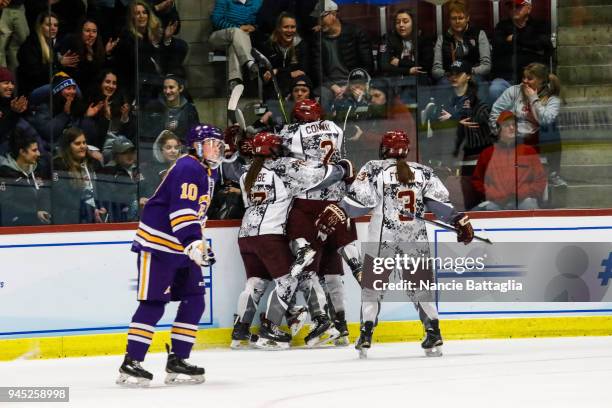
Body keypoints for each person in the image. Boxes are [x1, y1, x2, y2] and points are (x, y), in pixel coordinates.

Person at [313, 130, 474, 358]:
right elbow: (440, 205)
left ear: (383, 148)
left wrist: (340, 209)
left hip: (382, 240)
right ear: (406, 151)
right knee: (421, 290)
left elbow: (362, 202)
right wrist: (458, 219)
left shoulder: (374, 168)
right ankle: (434, 332)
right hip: (415, 241)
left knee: (372, 291)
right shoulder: (422, 171)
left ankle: (366, 335)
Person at [117, 124, 224, 387]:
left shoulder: (207, 171)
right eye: (212, 143)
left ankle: (178, 358)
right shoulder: (188, 167)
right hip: (158, 245)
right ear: (196, 146)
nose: (217, 149)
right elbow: (181, 212)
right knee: (154, 302)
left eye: (220, 144)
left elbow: (196, 215)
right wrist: (192, 243)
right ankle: (132, 362)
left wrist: (198, 243)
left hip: (182, 245)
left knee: (195, 299)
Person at [230, 131, 350, 350]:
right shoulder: (283, 167)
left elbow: (227, 167)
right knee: (288, 280)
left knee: (255, 283)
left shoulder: (245, 171)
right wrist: (344, 169)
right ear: (275, 150)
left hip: (246, 236)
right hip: (271, 235)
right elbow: (320, 176)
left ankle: (240, 330)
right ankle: (269, 329)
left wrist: (234, 147)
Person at [281, 99, 361, 346]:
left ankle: (321, 320)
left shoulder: (291, 131)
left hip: (307, 203)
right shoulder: (335, 128)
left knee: (307, 264)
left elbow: (273, 146)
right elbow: (341, 158)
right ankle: (342, 326)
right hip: (336, 201)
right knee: (333, 268)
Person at [489, 62, 563, 185]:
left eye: (530, 78)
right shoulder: (513, 91)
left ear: (541, 81)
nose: (525, 81)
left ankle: (553, 174)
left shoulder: (552, 99)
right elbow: (495, 113)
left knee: (551, 129)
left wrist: (533, 98)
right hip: (514, 136)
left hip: (537, 139)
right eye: (524, 77)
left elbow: (545, 121)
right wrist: (500, 132)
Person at [437, 60, 494, 209]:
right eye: (451, 74)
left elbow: (478, 125)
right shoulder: (443, 99)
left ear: (468, 76)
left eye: (458, 74)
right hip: (451, 158)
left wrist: (453, 118)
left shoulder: (479, 101)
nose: (453, 77)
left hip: (475, 160)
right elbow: (436, 121)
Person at [472, 110, 546, 210]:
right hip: (496, 203)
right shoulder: (488, 154)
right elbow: (477, 181)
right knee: (482, 211)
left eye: (514, 125)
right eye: (507, 125)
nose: (512, 128)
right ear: (499, 129)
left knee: (529, 205)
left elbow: (540, 180)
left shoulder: (528, 151)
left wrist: (523, 192)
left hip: (523, 201)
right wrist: (493, 194)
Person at [310, 0, 373, 111]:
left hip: (354, 82)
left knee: (360, 96)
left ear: (333, 15)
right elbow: (317, 69)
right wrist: (333, 87)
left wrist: (350, 85)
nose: (319, 22)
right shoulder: (317, 38)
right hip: (328, 85)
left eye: (321, 18)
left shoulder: (356, 33)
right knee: (322, 96)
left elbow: (368, 66)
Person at [489, 0, 553, 103]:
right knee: (494, 89)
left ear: (529, 8)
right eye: (511, 6)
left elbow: (544, 46)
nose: (514, 9)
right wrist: (528, 44)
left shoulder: (540, 25)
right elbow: (499, 47)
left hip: (533, 79)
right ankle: (505, 119)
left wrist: (514, 38)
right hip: (507, 77)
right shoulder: (501, 27)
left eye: (518, 6)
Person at [50, 127, 106, 225]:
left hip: (96, 216)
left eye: (84, 143)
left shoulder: (92, 163)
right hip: (71, 218)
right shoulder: (59, 165)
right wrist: (88, 210)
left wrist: (103, 207)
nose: (83, 146)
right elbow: (63, 196)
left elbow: (103, 188)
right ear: (68, 146)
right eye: (77, 143)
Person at [208, 0, 262, 93]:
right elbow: (216, 20)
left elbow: (261, 20)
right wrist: (237, 27)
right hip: (221, 36)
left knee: (234, 46)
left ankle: (235, 82)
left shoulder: (257, 1)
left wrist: (254, 27)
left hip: (244, 39)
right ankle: (249, 63)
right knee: (236, 32)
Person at [431, 0, 491, 84]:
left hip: (473, 75)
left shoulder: (479, 34)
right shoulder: (442, 38)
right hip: (450, 77)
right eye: (453, 18)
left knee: (477, 81)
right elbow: (435, 70)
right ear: (449, 20)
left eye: (461, 18)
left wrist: (466, 72)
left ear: (467, 18)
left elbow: (486, 66)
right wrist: (450, 73)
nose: (457, 22)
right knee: (443, 83)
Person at [378, 9, 430, 104]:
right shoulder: (387, 39)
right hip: (395, 79)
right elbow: (384, 66)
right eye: (398, 22)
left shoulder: (423, 39)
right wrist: (408, 70)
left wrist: (399, 62)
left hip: (418, 80)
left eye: (405, 21)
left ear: (413, 23)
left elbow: (425, 65)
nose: (401, 25)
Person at [0, 129, 50, 226]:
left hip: (41, 223)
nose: (39, 154)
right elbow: (6, 203)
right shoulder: (5, 173)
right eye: (34, 150)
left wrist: (44, 210)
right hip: (15, 226)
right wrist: (34, 214)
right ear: (22, 152)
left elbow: (45, 193)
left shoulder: (39, 167)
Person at [55, 19, 119, 94]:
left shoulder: (97, 48)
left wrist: (106, 53)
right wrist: (59, 60)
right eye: (87, 31)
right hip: (68, 85)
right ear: (81, 32)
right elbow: (55, 55)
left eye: (94, 31)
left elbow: (98, 74)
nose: (91, 35)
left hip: (88, 89)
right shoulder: (71, 41)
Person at [259, 12, 310, 101]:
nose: (290, 30)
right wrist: (290, 73)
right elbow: (266, 75)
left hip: (294, 86)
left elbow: (302, 71)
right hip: (274, 88)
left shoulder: (301, 45)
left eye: (293, 27)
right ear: (279, 28)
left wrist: (277, 71)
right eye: (286, 27)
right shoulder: (268, 46)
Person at [140, 74, 199, 144]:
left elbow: (194, 135)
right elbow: (144, 132)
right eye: (165, 88)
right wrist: (165, 128)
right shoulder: (153, 107)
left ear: (181, 88)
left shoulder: (190, 109)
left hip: (182, 149)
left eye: (171, 87)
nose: (167, 91)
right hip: (156, 148)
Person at [98, 135, 141, 222]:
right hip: (119, 217)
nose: (129, 155)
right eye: (124, 152)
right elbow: (111, 197)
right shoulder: (107, 172)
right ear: (115, 155)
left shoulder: (139, 169)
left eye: (131, 151)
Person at [16, 12, 58, 97]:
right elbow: (34, 74)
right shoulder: (30, 45)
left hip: (45, 88)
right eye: (48, 25)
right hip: (31, 92)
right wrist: (58, 63)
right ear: (40, 27)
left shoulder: (50, 45)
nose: (53, 28)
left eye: (56, 25)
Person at [0, 0, 29, 72]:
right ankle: (4, 78)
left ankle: (15, 75)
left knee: (22, 41)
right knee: (1, 46)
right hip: (2, 8)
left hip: (18, 7)